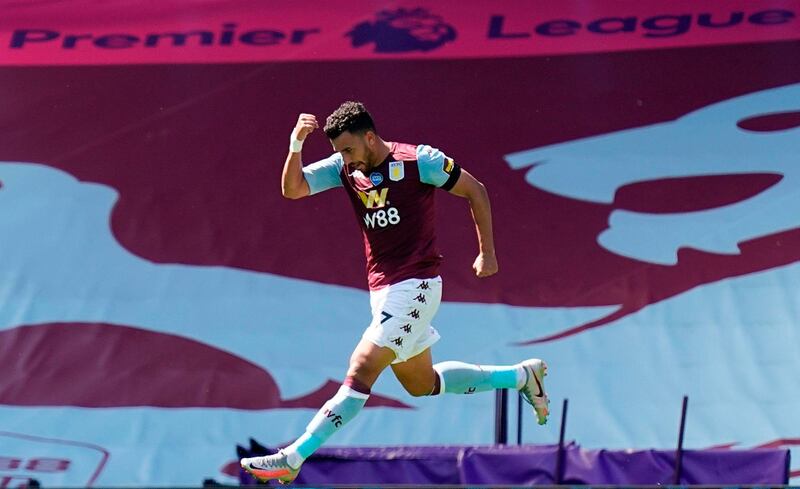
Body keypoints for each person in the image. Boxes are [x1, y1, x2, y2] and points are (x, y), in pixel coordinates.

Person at [240, 101, 549, 484]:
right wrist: (295, 145)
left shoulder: (420, 161)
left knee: (361, 368)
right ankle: (520, 377)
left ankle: (295, 455)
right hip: (384, 291)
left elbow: (476, 191)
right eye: (339, 152)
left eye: (349, 149)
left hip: (416, 286)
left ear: (370, 137)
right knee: (422, 385)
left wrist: (487, 252)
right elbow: (294, 189)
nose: (345, 159)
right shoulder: (344, 168)